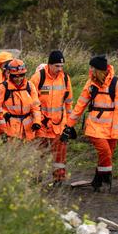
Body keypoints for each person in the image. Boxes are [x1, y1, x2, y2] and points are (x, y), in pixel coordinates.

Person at [63, 55, 118, 192]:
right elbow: (80, 106)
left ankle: (97, 180)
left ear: (99, 69)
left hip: (112, 126)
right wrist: (68, 126)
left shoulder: (116, 84)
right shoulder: (90, 84)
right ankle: (106, 180)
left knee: (107, 154)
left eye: (92, 67)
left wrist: (115, 131)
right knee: (105, 152)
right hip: (94, 125)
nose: (90, 70)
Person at [30, 50, 74, 186]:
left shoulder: (65, 78)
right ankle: (36, 178)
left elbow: (69, 101)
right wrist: (38, 119)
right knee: (39, 153)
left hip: (59, 124)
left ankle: (59, 179)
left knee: (60, 154)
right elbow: (30, 101)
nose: (59, 69)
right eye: (57, 66)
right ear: (49, 64)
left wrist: (69, 124)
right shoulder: (38, 78)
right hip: (41, 124)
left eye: (62, 66)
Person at [0, 59, 42, 141]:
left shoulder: (30, 86)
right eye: (15, 76)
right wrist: (5, 113)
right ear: (10, 75)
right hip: (11, 130)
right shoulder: (3, 88)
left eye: (21, 75)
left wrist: (37, 122)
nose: (19, 79)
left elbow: (35, 107)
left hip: (28, 130)